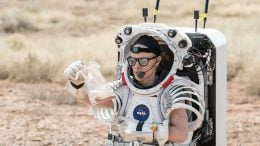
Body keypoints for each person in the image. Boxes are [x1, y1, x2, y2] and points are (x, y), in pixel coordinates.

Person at [64, 35, 189, 145]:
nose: (136, 66)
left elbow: (181, 133)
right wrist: (78, 84)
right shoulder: (124, 89)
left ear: (157, 60)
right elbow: (94, 102)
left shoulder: (170, 92)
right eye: (132, 60)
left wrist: (142, 132)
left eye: (143, 61)